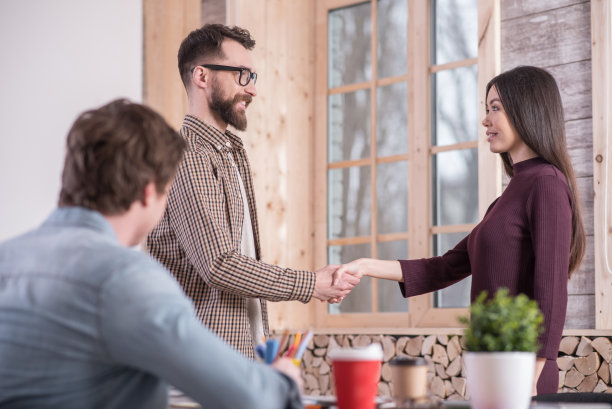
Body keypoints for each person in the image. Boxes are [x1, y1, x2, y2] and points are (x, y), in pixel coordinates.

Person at [0, 99, 304, 409]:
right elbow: (256, 398)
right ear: (149, 192)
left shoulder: (6, 260)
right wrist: (283, 380)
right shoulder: (126, 279)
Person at [334, 66, 585, 395]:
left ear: (528, 109)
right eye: (487, 109)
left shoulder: (546, 183)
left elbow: (550, 291)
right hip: (494, 368)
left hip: (522, 378)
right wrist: (364, 266)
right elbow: (444, 267)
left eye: (495, 108)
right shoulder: (508, 198)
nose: (486, 120)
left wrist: (530, 379)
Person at [146, 23, 358, 357]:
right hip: (201, 358)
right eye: (241, 75)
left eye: (253, 77)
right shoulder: (189, 155)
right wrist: (311, 284)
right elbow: (219, 264)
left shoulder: (230, 152)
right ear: (201, 77)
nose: (252, 90)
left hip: (239, 353)